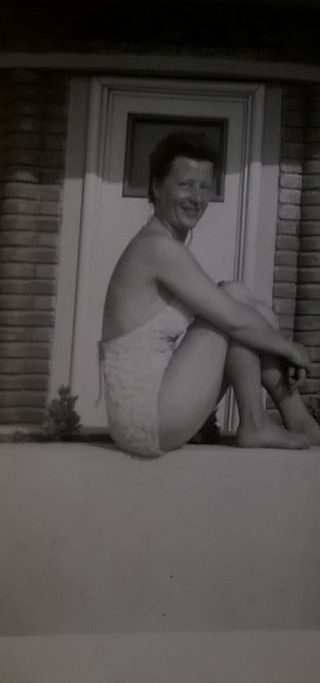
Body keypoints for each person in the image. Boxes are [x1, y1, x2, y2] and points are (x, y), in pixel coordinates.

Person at [99, 131, 320, 457]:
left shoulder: (164, 242)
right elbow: (233, 319)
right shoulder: (157, 248)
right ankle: (258, 424)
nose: (197, 198)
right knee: (234, 300)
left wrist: (274, 338)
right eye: (185, 184)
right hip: (147, 418)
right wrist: (292, 349)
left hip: (154, 409)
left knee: (256, 312)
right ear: (157, 187)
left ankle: (296, 418)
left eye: (205, 187)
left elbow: (248, 321)